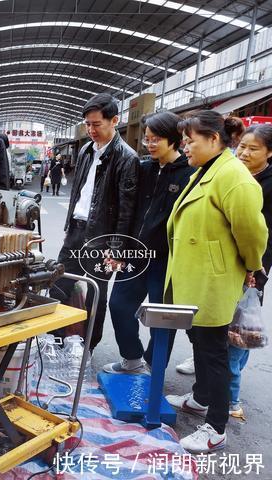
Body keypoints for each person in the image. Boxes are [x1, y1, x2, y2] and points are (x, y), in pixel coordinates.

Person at [164, 111, 267, 454]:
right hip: (196, 274)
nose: (185, 146)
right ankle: (200, 398)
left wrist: (253, 266)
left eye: (191, 140)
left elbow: (253, 233)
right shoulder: (208, 170)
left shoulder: (234, 178)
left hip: (214, 278)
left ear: (213, 139)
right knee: (199, 341)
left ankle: (216, 427)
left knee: (213, 353)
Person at [103, 111, 195, 374]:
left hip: (166, 260)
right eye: (147, 140)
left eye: (156, 140)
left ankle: (154, 370)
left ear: (173, 139)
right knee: (119, 305)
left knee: (163, 318)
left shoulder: (188, 174)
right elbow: (128, 210)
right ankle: (131, 358)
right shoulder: (142, 168)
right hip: (134, 255)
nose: (150, 145)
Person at [49, 93, 139, 351]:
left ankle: (88, 346)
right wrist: (68, 227)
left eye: (96, 124)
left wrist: (117, 250)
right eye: (87, 124)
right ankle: (57, 339)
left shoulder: (126, 157)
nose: (90, 130)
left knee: (96, 295)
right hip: (77, 230)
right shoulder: (87, 150)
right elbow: (78, 193)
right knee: (58, 284)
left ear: (115, 121)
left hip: (103, 237)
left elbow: (126, 210)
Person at [227, 124, 272, 419]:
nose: (243, 152)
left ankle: (230, 398)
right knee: (235, 331)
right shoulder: (235, 174)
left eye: (253, 148)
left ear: (269, 152)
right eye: (242, 145)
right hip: (230, 263)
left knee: (237, 333)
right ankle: (221, 388)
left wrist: (257, 266)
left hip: (253, 268)